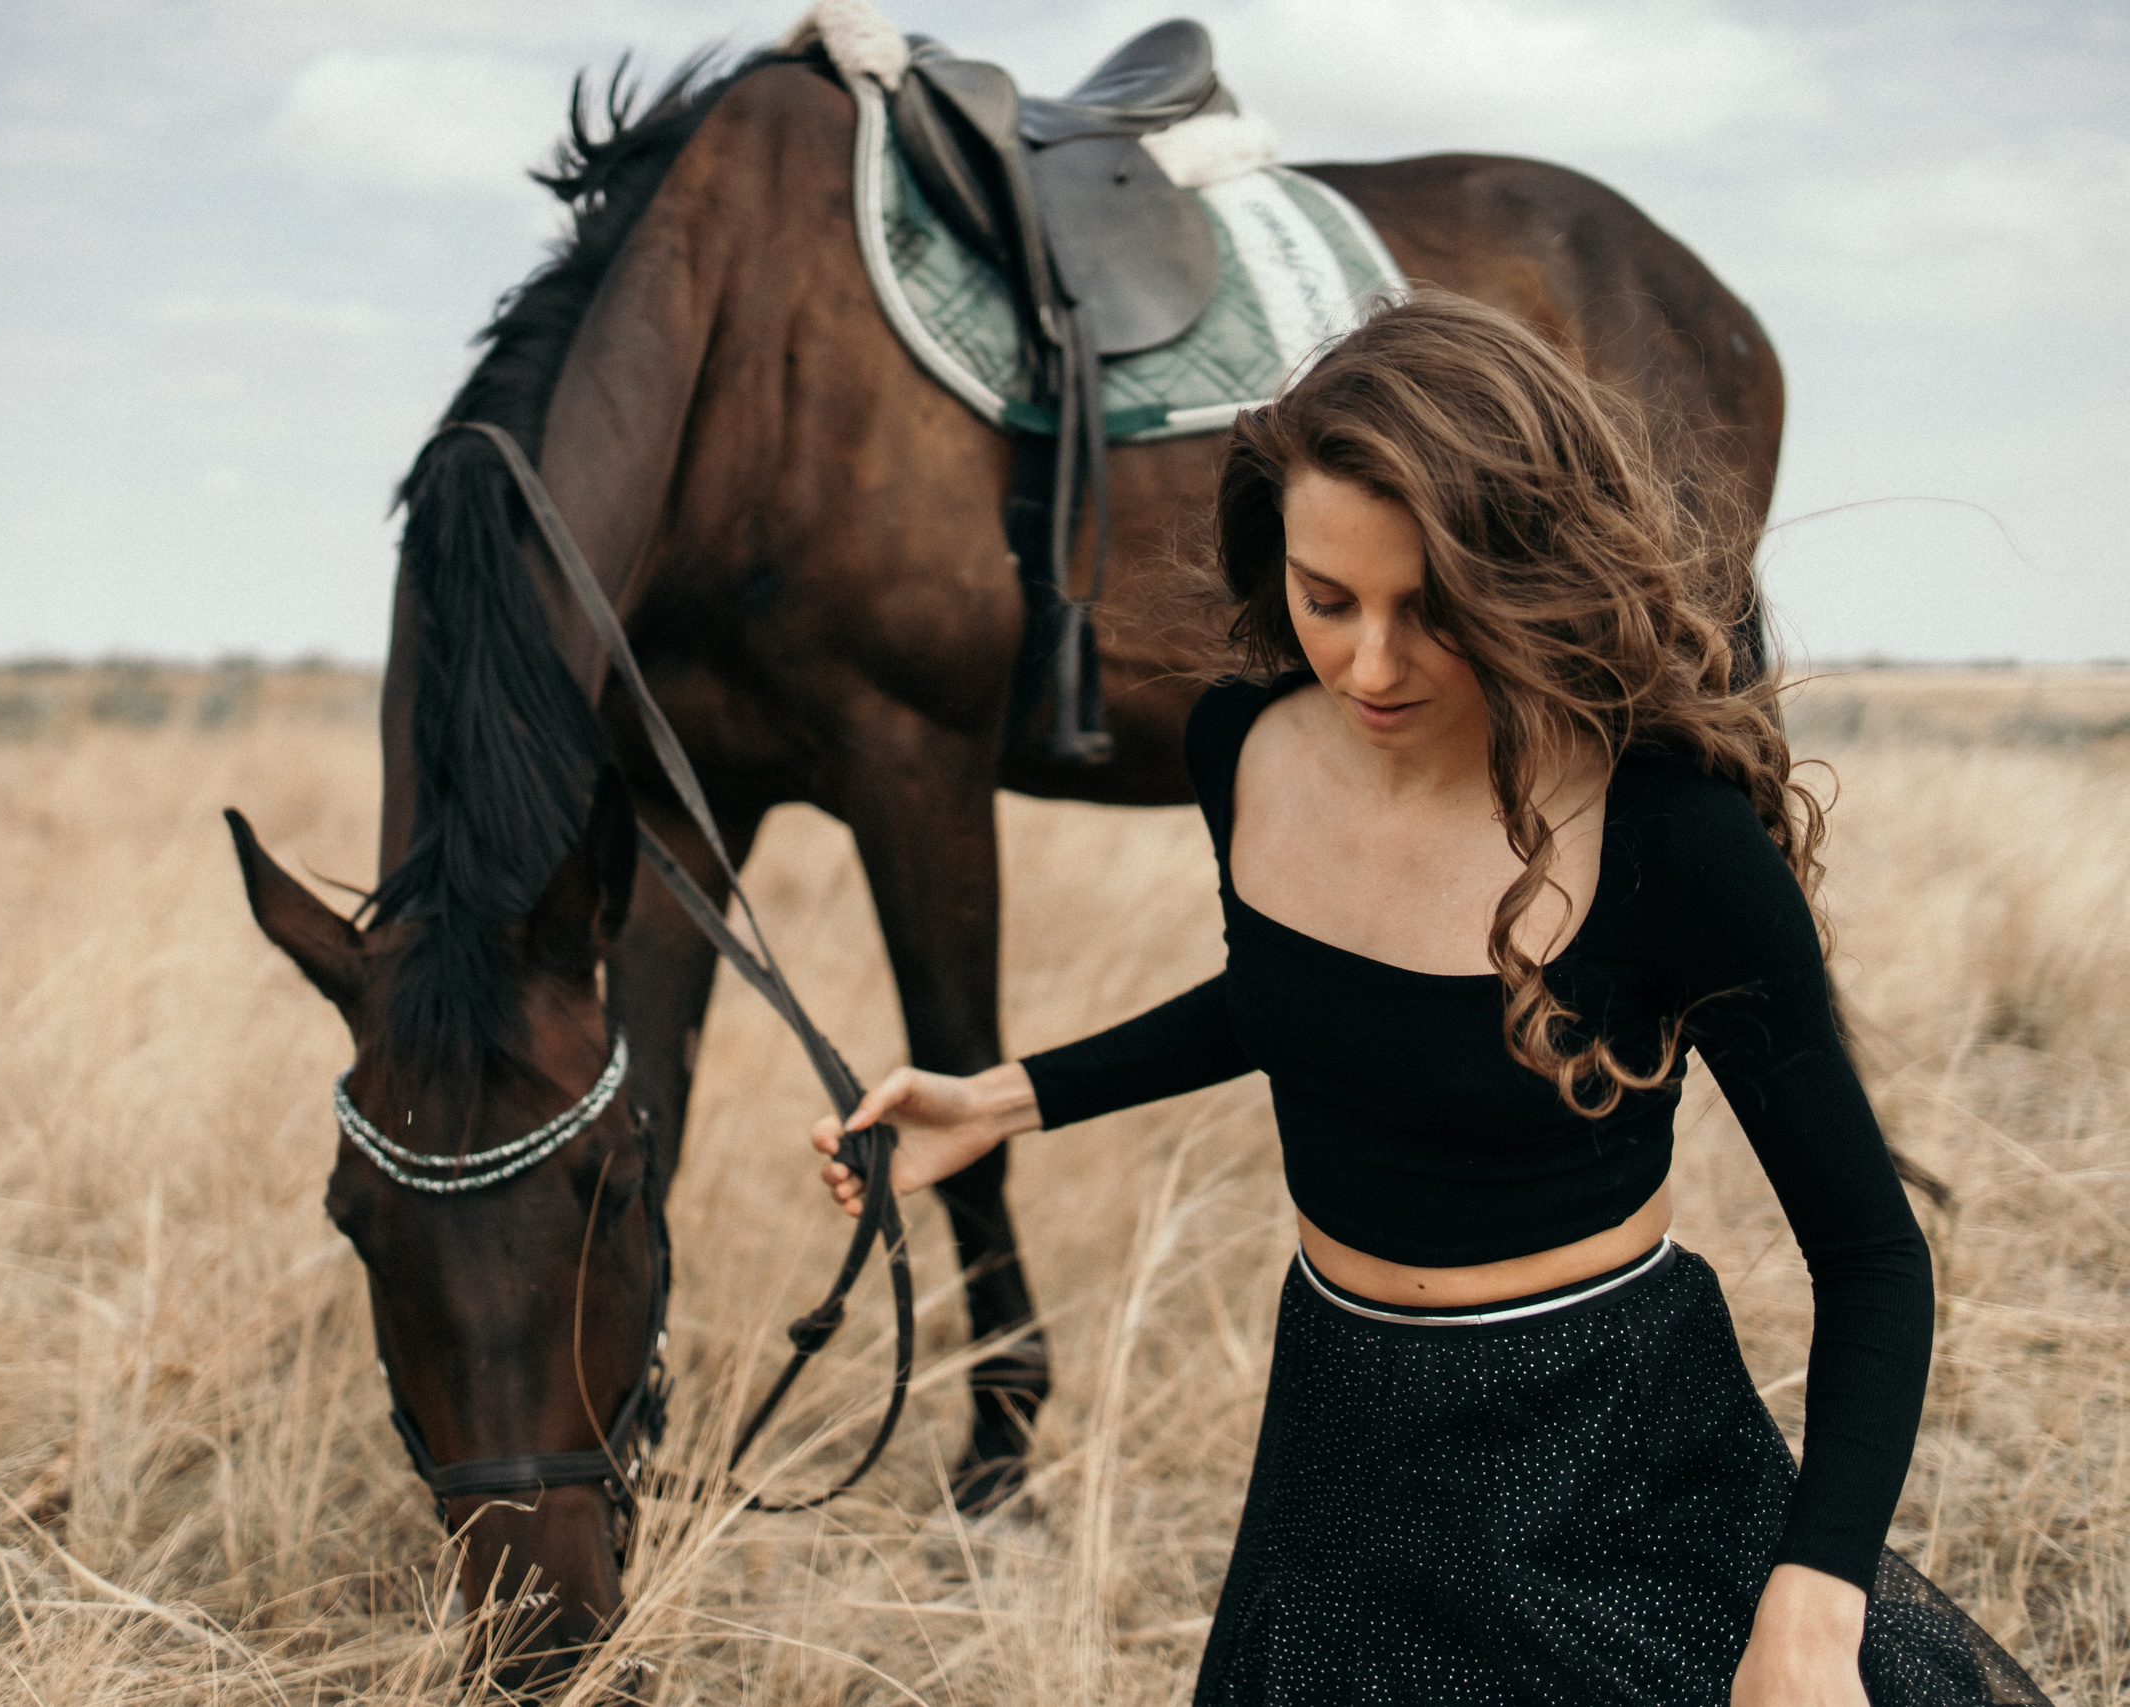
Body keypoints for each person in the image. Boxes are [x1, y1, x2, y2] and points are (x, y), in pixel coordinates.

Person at [809, 295, 2046, 1706]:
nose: (1369, 666)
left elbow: (1873, 1257)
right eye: (1326, 600)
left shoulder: (1673, 837)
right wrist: (1007, 1099)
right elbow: (1300, 1003)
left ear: (1527, 577)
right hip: (1338, 1431)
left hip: (1600, 1444)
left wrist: (1816, 1605)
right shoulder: (1245, 745)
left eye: (1430, 610)